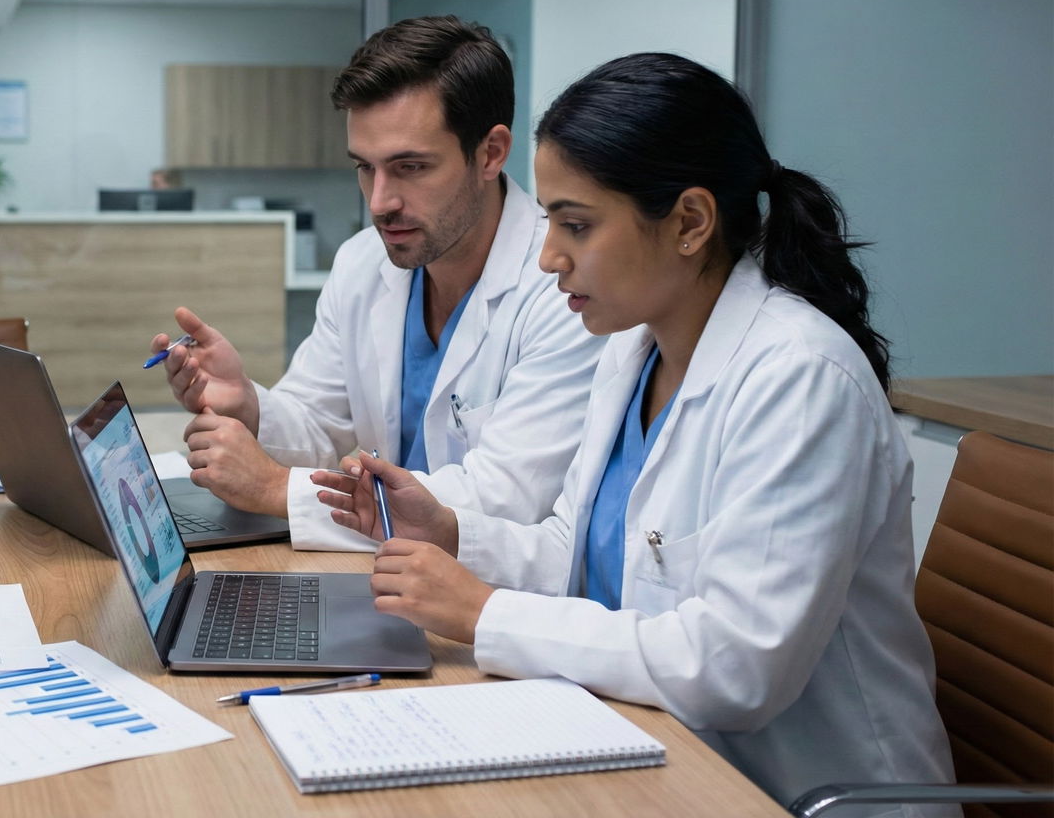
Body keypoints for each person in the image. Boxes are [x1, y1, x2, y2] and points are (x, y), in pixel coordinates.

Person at [315, 53, 956, 814]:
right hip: (649, 752)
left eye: (576, 224)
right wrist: (451, 531)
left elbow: (734, 667)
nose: (550, 255)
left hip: (793, 795)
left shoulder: (801, 378)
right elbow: (578, 554)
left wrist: (485, 613)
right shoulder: (635, 348)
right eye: (550, 219)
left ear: (689, 222)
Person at [150, 16, 602, 549]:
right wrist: (248, 404)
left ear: (491, 152)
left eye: (410, 167)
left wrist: (275, 489)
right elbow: (322, 427)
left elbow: (506, 499)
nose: (380, 202)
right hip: (377, 572)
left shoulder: (568, 286)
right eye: (365, 167)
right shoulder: (363, 263)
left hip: (483, 601)